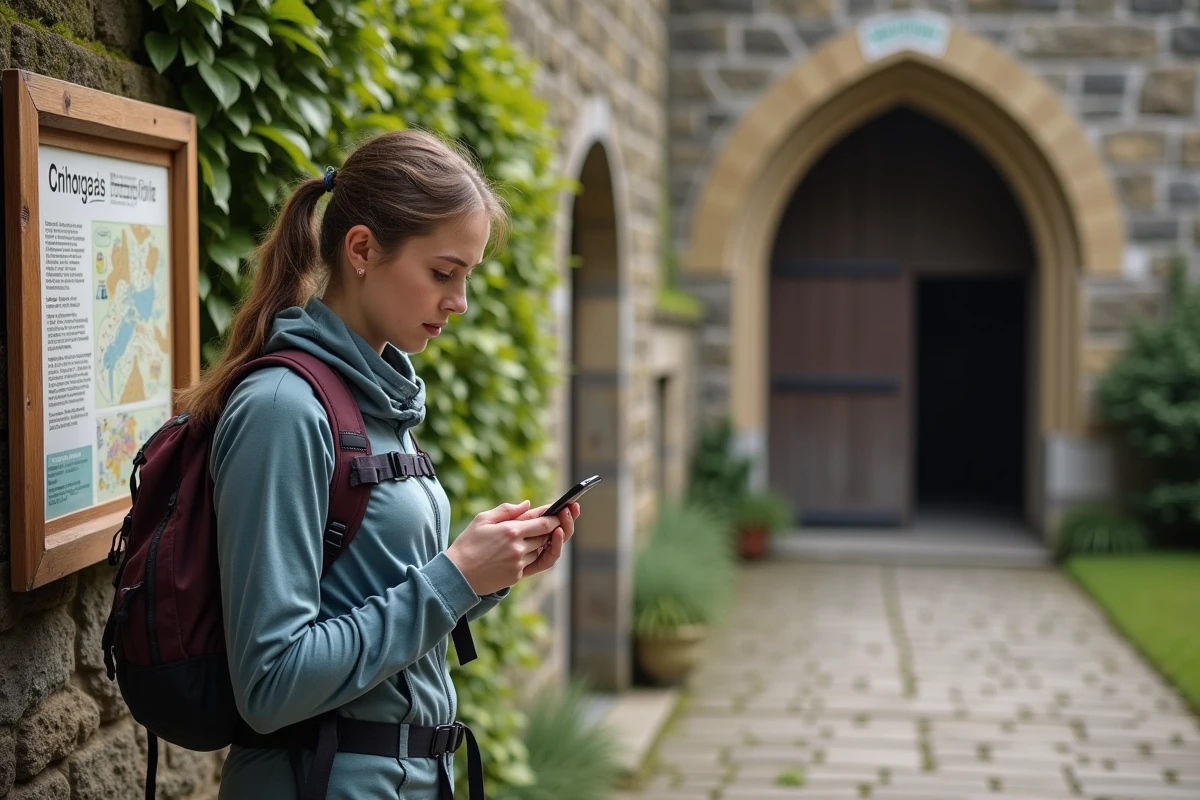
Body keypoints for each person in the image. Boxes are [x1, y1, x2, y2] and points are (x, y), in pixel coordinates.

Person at [174, 129, 579, 799]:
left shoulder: (377, 403)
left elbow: (374, 602)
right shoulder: (284, 410)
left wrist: (484, 573)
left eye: (468, 276)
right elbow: (270, 683)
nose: (461, 301)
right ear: (361, 249)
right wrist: (452, 578)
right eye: (443, 272)